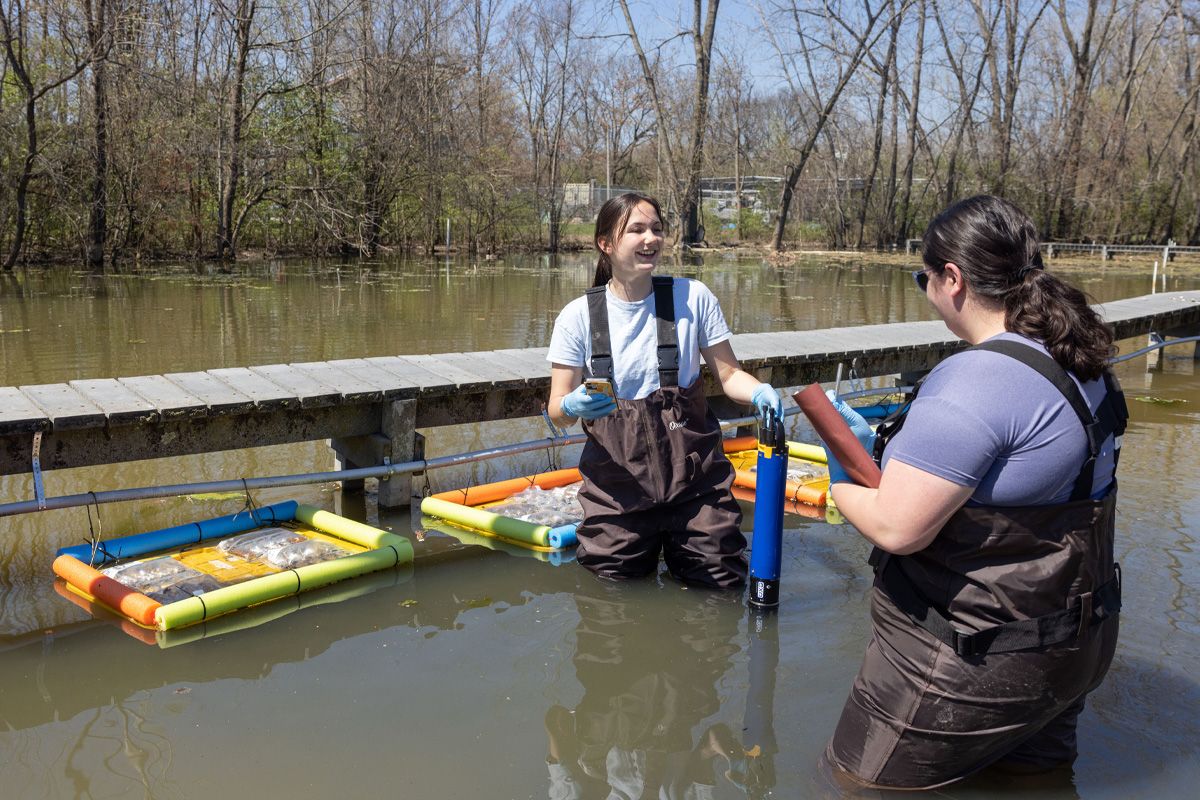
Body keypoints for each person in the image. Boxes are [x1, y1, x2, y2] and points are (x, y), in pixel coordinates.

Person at [819, 195, 1128, 789]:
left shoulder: (977, 378)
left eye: (924, 278)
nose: (927, 290)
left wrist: (839, 474)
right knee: (1034, 785)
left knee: (857, 786)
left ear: (952, 279)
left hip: (969, 662)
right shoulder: (1082, 359)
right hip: (1074, 648)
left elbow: (897, 528)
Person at [547, 192, 782, 589]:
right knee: (609, 600)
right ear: (605, 244)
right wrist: (573, 404)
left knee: (720, 586)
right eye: (636, 230)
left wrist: (759, 391)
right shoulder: (577, 317)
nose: (650, 239)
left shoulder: (693, 297)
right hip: (616, 492)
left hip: (697, 486)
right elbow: (556, 410)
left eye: (656, 229)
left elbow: (730, 376)